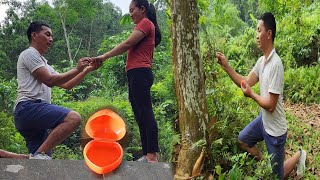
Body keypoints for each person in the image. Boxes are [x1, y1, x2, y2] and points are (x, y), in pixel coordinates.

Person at [215, 13, 306, 179]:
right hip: (264, 121)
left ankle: (299, 155)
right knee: (243, 140)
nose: (256, 35)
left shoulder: (276, 65)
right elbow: (245, 82)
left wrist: (251, 94)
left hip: (276, 131)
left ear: (269, 34)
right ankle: (268, 164)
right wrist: (227, 67)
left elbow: (271, 105)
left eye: (259, 30)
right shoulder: (261, 61)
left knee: (276, 177)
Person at [13, 21, 101, 160]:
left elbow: (67, 84)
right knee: (73, 118)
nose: (51, 39)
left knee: (40, 164)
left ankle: (37, 156)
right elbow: (50, 80)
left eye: (51, 36)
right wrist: (77, 68)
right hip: (28, 108)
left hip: (31, 114)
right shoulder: (29, 54)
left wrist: (86, 70)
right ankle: (39, 154)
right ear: (34, 35)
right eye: (47, 34)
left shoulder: (44, 62)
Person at [92, 0, 161, 163]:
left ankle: (151, 155)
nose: (130, 14)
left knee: (145, 112)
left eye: (132, 10)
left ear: (142, 9)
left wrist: (104, 56)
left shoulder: (145, 23)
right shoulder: (144, 24)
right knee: (139, 114)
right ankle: (146, 154)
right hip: (135, 74)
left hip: (140, 73)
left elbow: (128, 43)